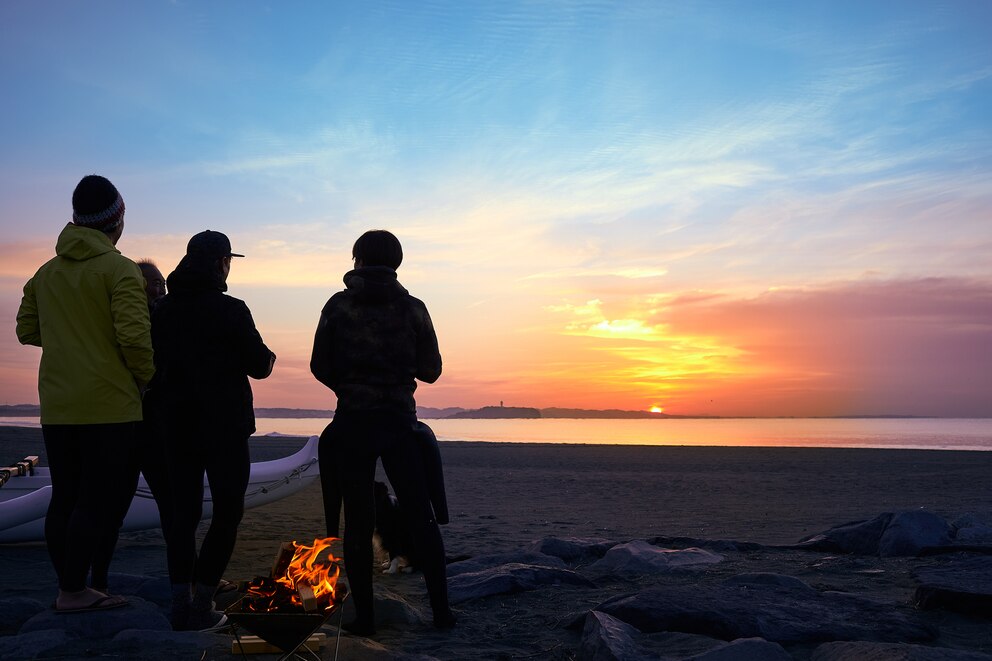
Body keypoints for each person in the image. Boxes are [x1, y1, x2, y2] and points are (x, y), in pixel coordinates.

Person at [16, 174, 154, 613]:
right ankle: (75, 591)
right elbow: (134, 338)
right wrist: (146, 377)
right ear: (117, 221)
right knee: (99, 500)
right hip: (111, 405)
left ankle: (68, 587)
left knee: (67, 497)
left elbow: (26, 330)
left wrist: (70, 342)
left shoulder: (45, 273)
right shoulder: (120, 269)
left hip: (58, 405)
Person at [310, 229, 455, 635]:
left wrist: (348, 385)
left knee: (357, 521)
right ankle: (442, 614)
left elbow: (319, 365)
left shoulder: (337, 306)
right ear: (397, 262)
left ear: (356, 259)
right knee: (420, 517)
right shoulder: (414, 308)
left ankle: (365, 619)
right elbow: (431, 371)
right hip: (399, 425)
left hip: (352, 423)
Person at [152, 231, 275, 631]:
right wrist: (269, 355)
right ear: (222, 262)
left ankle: (178, 604)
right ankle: (202, 605)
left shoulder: (162, 310)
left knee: (182, 516)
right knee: (226, 513)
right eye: (229, 261)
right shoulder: (232, 309)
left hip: (175, 425)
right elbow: (260, 365)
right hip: (226, 427)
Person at [88, 259, 170, 593]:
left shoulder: (168, 319)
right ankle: (97, 582)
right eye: (153, 283)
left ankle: (187, 578)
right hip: (124, 423)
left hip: (154, 426)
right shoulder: (121, 322)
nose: (159, 288)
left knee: (172, 506)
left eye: (162, 283)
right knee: (112, 508)